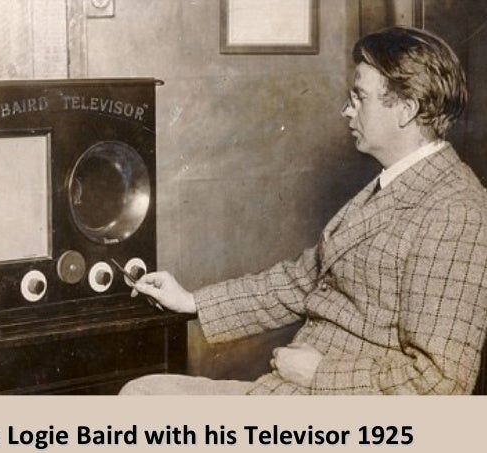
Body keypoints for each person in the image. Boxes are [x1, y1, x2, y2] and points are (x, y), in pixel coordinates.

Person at [120, 26, 487, 395]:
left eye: (359, 98)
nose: (347, 111)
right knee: (145, 393)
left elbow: (441, 384)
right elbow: (303, 280)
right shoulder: (397, 182)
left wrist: (320, 374)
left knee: (142, 399)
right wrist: (191, 302)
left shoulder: (456, 212)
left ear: (406, 110)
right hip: (293, 391)